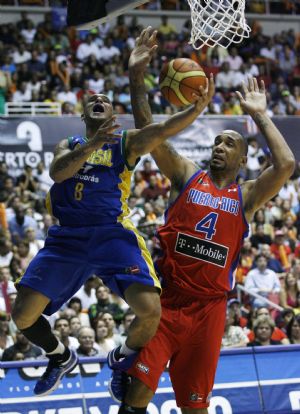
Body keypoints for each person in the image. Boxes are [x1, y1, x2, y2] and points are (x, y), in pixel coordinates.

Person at [111, 27, 295, 414]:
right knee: (137, 395)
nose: (219, 146)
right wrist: (136, 76)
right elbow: (149, 132)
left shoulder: (246, 196)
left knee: (195, 407)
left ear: (243, 159)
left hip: (210, 312)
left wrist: (260, 116)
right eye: (216, 141)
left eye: (229, 143)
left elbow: (286, 164)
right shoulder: (186, 174)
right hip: (169, 301)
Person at [11, 65, 208, 397]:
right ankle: (59, 357)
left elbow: (162, 131)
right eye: (93, 99)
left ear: (113, 112)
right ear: (86, 114)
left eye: (105, 98)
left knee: (150, 312)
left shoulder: (125, 143)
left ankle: (121, 360)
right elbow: (59, 173)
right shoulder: (69, 143)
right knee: (22, 317)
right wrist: (90, 146)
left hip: (111, 234)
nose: (98, 100)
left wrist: (196, 109)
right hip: (68, 239)